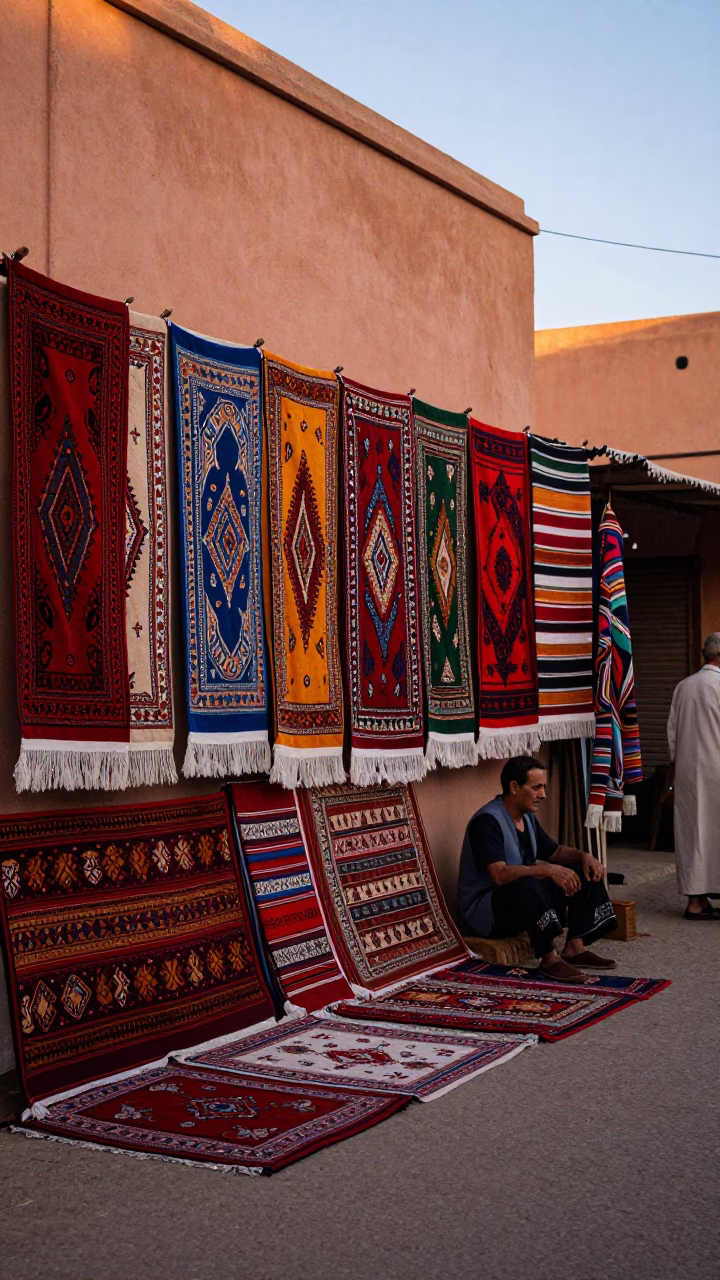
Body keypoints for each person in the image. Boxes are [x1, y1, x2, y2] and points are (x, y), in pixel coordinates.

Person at [457, 755, 617, 982]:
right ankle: (549, 958)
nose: (543, 795)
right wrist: (545, 870)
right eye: (537, 788)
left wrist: (584, 856)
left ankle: (575, 948)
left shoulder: (527, 818)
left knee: (581, 870)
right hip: (487, 914)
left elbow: (554, 852)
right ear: (514, 787)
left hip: (521, 902)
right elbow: (500, 875)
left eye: (544, 787)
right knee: (525, 882)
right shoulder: (487, 821)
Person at [667, 632, 720, 919]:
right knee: (713, 835)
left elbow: (672, 734)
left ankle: (696, 901)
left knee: (692, 835)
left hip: (689, 774)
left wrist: (679, 765)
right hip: (716, 773)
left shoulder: (683, 686)